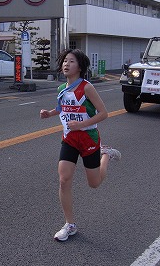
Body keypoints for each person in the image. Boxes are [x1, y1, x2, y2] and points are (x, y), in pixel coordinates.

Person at [40, 49, 121, 242]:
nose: (66, 64)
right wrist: (49, 114)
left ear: (80, 67)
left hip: (88, 139)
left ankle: (106, 155)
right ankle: (70, 224)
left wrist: (81, 125)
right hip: (69, 138)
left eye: (71, 61)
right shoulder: (61, 89)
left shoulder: (86, 87)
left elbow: (103, 113)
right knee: (63, 180)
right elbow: (61, 108)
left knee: (94, 183)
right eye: (65, 61)